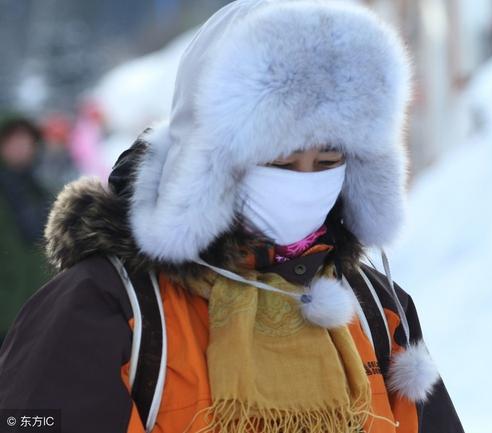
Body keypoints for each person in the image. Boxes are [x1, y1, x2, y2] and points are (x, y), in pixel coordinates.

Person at [0, 1, 464, 433]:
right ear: (209, 159)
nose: (305, 182)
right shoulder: (112, 308)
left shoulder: (376, 310)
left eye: (328, 162)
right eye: (280, 161)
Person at [0, 116, 51, 347]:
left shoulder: (44, 191)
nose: (20, 146)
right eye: (12, 140)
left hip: (38, 316)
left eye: (26, 140)